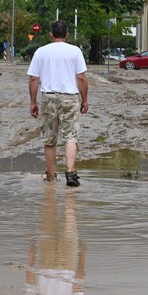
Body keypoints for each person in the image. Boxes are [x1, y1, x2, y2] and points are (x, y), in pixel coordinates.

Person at [28, 20, 89, 187]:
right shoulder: (75, 51)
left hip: (49, 98)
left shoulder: (41, 52)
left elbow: (34, 78)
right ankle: (70, 172)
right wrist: (84, 100)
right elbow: (81, 78)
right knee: (70, 136)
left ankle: (51, 176)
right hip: (70, 97)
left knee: (50, 139)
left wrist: (33, 102)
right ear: (67, 35)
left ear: (51, 34)